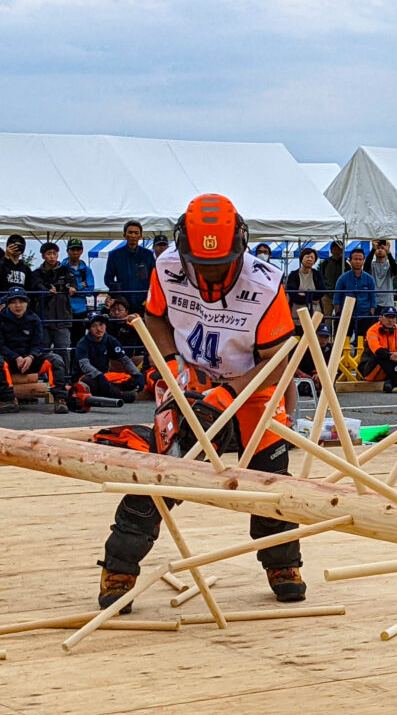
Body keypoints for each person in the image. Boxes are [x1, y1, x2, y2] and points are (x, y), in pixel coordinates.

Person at [98, 193, 306, 611]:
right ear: (183, 250)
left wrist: (230, 393)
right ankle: (118, 566)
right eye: (202, 265)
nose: (211, 274)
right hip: (187, 381)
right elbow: (154, 316)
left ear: (241, 248)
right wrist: (169, 364)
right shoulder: (167, 265)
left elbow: (279, 360)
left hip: (253, 386)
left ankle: (282, 563)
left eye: (221, 265)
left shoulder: (266, 283)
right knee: (160, 471)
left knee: (270, 482)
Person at [0, 285, 70, 414]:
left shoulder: (34, 319)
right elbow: (1, 345)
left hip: (30, 361)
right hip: (9, 361)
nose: (18, 305)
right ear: (8, 304)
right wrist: (16, 357)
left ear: (27, 303)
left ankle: (60, 400)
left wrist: (30, 357)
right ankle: (8, 400)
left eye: (21, 301)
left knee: (56, 360)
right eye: (14, 302)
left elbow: (38, 344)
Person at [73, 311, 145, 403]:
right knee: (90, 382)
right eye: (94, 326)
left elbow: (125, 360)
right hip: (85, 377)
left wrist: (137, 374)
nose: (98, 329)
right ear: (89, 328)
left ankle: (115, 391)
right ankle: (121, 395)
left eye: (101, 324)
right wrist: (98, 375)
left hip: (104, 376)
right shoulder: (83, 343)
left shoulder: (111, 340)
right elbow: (84, 366)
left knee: (131, 380)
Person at [31, 241, 76, 370]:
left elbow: (73, 283)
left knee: (63, 349)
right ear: (43, 256)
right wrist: (46, 292)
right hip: (43, 318)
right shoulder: (37, 273)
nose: (52, 256)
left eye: (54, 253)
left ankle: (66, 377)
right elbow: (36, 286)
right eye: (49, 253)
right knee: (42, 350)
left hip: (63, 318)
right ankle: (42, 377)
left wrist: (71, 287)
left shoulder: (66, 270)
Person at [358, 307, 397, 393]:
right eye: (387, 317)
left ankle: (390, 382)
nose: (390, 320)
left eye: (392, 317)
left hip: (391, 369)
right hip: (371, 369)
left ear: (396, 320)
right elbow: (378, 351)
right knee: (381, 356)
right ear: (381, 318)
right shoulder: (372, 330)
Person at [104, 220, 155, 314]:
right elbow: (108, 278)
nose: (133, 236)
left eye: (136, 233)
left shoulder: (148, 255)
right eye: (130, 232)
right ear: (124, 235)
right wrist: (118, 296)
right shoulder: (115, 255)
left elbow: (154, 278)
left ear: (140, 236)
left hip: (144, 302)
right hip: (123, 304)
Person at [333, 247, 376, 339]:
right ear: (350, 260)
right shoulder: (343, 278)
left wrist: (371, 312)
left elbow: (373, 298)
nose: (358, 262)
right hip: (346, 314)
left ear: (363, 261)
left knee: (364, 339)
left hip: (364, 314)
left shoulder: (369, 279)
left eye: (360, 259)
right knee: (343, 339)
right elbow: (337, 297)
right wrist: (339, 312)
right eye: (355, 259)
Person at [63, 237, 95, 345]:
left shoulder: (86, 270)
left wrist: (75, 290)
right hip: (65, 309)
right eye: (72, 250)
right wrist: (81, 285)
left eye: (78, 249)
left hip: (81, 309)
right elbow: (61, 287)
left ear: (82, 251)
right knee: (64, 341)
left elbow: (90, 290)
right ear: (68, 251)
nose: (75, 252)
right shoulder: (62, 268)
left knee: (79, 341)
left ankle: (77, 362)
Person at [286, 247, 326, 323]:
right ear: (301, 259)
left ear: (314, 261)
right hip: (297, 311)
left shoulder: (317, 274)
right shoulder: (293, 275)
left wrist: (304, 294)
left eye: (312, 258)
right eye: (307, 257)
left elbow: (321, 291)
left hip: (315, 311)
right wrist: (310, 299)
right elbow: (292, 294)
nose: (309, 259)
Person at [368, 239, 397, 317]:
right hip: (374, 302)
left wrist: (388, 252)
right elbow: (366, 267)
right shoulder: (372, 265)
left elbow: (395, 270)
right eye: (378, 248)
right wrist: (373, 249)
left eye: (382, 248)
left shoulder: (389, 265)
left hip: (387, 302)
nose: (380, 250)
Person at [297, 323, 333, 392]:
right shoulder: (303, 347)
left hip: (321, 376)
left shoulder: (330, 349)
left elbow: (332, 365)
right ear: (315, 335)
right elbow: (292, 366)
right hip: (304, 377)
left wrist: (321, 374)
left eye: (326, 337)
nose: (323, 340)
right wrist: (302, 374)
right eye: (321, 336)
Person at [318, 241, 347, 319]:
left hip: (341, 296)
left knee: (341, 319)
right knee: (327, 319)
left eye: (340, 249)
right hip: (327, 295)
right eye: (335, 249)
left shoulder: (346, 265)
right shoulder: (325, 264)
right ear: (331, 250)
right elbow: (321, 278)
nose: (337, 251)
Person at [0, 234, 32, 298]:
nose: (16, 248)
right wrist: (6, 257)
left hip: (21, 300)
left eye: (19, 246)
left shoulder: (26, 268)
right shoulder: (2, 264)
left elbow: (29, 287)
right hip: (3, 300)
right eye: (13, 245)